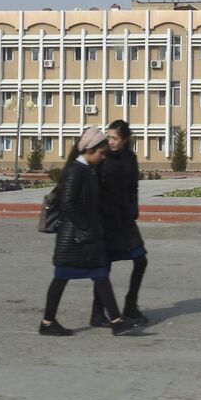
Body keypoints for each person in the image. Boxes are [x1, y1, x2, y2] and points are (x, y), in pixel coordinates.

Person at [40, 127, 135, 336]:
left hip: (85, 237)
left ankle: (117, 321)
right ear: (90, 150)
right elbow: (68, 203)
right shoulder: (76, 170)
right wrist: (86, 226)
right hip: (74, 238)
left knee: (100, 275)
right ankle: (47, 322)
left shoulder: (87, 170)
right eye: (101, 153)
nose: (103, 157)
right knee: (61, 278)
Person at [91, 120, 149, 326]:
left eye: (115, 138)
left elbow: (133, 186)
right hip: (106, 219)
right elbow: (93, 188)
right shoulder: (101, 159)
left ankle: (130, 306)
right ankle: (97, 312)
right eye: (108, 137)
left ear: (124, 139)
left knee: (141, 260)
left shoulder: (130, 159)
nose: (111, 141)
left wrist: (134, 208)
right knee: (103, 266)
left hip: (124, 219)